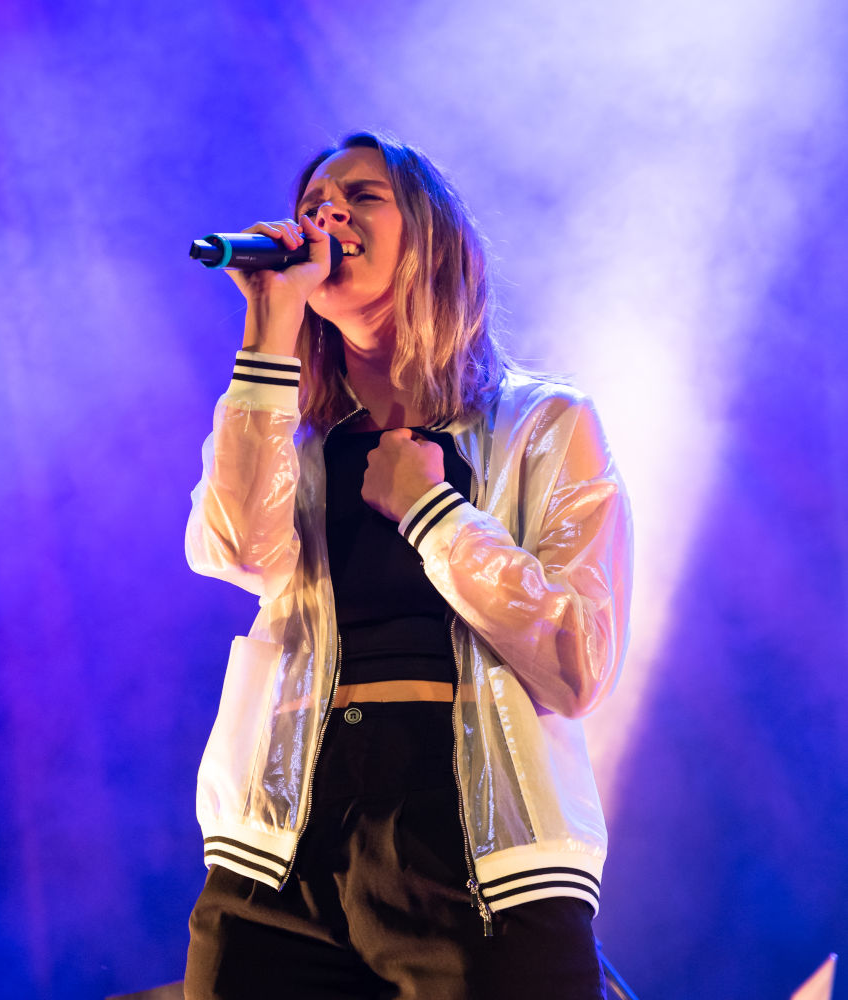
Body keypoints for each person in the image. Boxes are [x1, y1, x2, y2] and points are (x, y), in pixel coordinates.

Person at [181, 130, 633, 999]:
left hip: (476, 853)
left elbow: (579, 664)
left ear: (430, 236)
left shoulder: (545, 425)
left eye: (361, 195)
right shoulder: (298, 445)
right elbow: (236, 548)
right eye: (314, 202)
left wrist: (433, 512)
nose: (327, 212)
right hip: (281, 850)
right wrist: (270, 324)